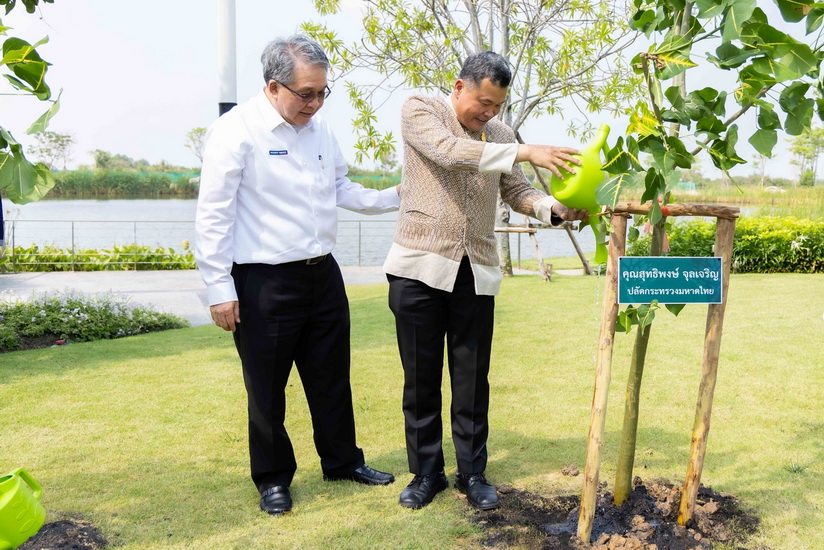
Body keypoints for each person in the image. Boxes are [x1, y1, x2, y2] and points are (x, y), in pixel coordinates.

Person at [195, 35, 398, 515]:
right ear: (273, 87)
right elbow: (213, 215)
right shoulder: (235, 131)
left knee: (331, 377)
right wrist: (219, 287)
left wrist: (400, 194)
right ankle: (272, 478)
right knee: (266, 386)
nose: (315, 103)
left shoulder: (320, 130)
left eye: (323, 92)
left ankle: (343, 461)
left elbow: (343, 188)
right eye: (306, 93)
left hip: (322, 275)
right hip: (262, 281)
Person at [383, 51, 588, 511]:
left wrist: (553, 209)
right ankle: (426, 473)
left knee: (473, 378)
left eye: (496, 106)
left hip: (474, 270)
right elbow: (449, 152)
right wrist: (524, 149)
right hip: (418, 268)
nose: (488, 113)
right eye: (482, 101)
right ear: (459, 87)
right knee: (420, 378)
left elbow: (516, 190)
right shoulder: (421, 109)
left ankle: (473, 473)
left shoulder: (499, 134)